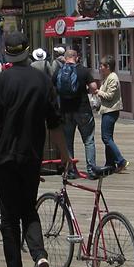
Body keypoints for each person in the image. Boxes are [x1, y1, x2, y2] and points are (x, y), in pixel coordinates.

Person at [0, 31, 71, 267]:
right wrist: (64, 155)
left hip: (6, 159)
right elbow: (55, 124)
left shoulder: (0, 82)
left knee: (10, 218)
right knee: (29, 210)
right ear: (28, 50)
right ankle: (40, 256)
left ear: (7, 53)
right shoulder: (42, 81)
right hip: (32, 156)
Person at [54, 49, 99, 177]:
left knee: (68, 141)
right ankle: (91, 170)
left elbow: (52, 87)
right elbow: (94, 87)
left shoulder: (59, 71)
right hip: (83, 110)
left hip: (66, 111)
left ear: (65, 58)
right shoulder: (83, 70)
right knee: (89, 140)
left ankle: (71, 170)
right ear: (76, 57)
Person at [95, 56, 129, 173]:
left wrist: (98, 92)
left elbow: (109, 96)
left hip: (111, 111)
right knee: (108, 137)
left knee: (106, 137)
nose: (100, 68)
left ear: (108, 67)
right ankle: (110, 163)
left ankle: (120, 161)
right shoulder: (107, 77)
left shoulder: (113, 78)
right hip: (107, 110)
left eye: (101, 66)